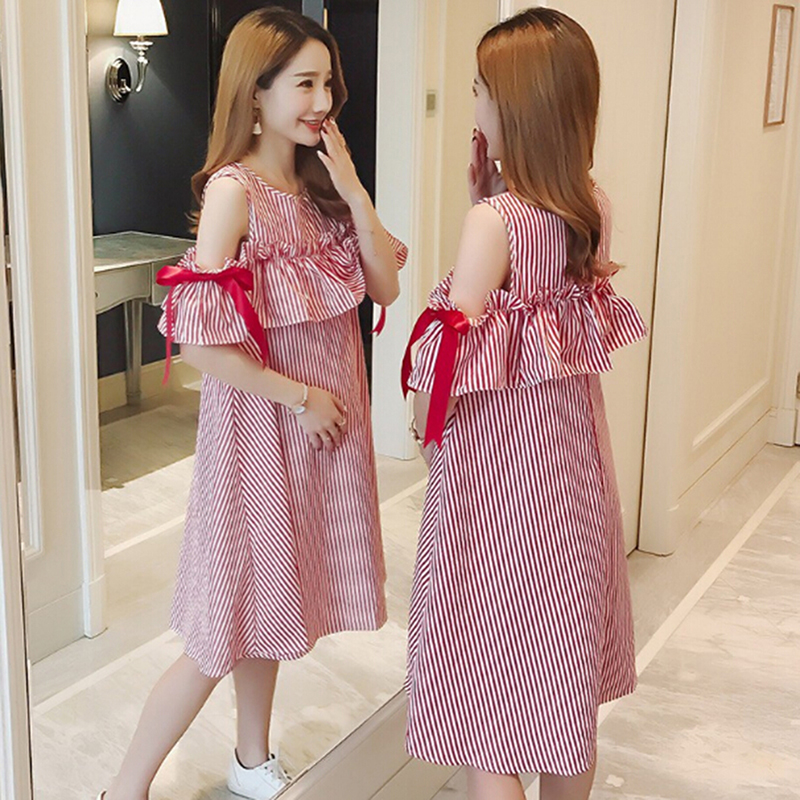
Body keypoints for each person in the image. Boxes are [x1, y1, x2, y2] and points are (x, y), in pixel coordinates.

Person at [98, 8, 406, 800]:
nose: (323, 100)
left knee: (268, 605)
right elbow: (198, 344)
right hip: (259, 440)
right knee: (220, 628)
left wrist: (354, 190)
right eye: (304, 82)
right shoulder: (235, 195)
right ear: (255, 93)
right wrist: (300, 397)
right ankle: (124, 788)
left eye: (328, 82)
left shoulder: (319, 189)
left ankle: (249, 758)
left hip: (313, 441)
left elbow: (385, 289)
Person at [401, 8, 647, 800]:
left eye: (479, 89)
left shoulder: (493, 222)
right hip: (573, 479)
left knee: (492, 710)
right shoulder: (592, 206)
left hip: (499, 486)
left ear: (516, 106)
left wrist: (420, 420)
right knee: (563, 695)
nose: (472, 103)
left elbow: (451, 349)